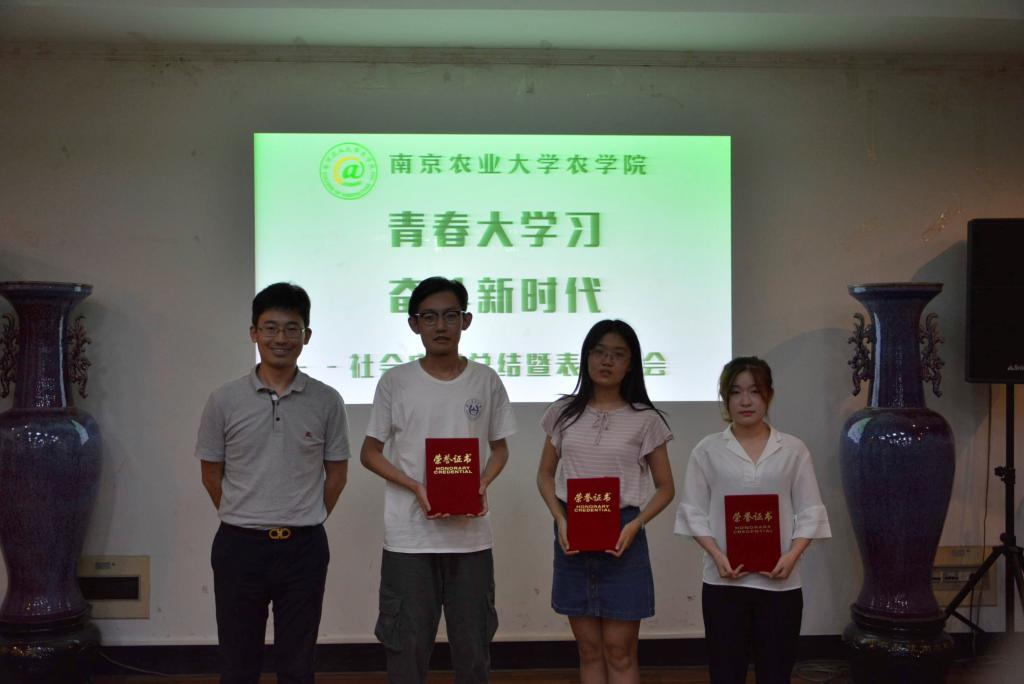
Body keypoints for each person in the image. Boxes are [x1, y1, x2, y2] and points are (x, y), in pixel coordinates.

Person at [360, 276, 517, 684]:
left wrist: (482, 483)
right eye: (429, 317)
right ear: (414, 324)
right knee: (406, 653)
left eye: (450, 315)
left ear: (466, 320)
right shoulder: (395, 382)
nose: (440, 326)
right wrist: (415, 486)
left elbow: (500, 448)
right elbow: (369, 452)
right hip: (409, 540)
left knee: (474, 653)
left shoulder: (486, 380)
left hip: (470, 539)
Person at [195, 282, 351, 684]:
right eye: (271, 328)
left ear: (307, 335)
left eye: (291, 328)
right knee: (238, 664)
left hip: (304, 549)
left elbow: (337, 473)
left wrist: (307, 515)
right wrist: (244, 513)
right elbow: (211, 473)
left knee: (298, 665)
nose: (281, 338)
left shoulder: (327, 400)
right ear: (254, 333)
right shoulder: (224, 399)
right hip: (238, 547)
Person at [675, 356, 831, 684]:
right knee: (725, 672)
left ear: (768, 395)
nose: (745, 401)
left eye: (755, 391)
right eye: (736, 392)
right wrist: (718, 556)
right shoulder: (707, 450)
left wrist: (792, 556)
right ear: (725, 398)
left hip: (781, 582)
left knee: (776, 673)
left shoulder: (793, 449)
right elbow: (693, 511)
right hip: (723, 582)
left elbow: (810, 510)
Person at [536, 319, 675, 684]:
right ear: (586, 357)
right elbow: (545, 475)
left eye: (617, 354)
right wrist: (560, 519)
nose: (606, 361)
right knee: (588, 649)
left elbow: (665, 487)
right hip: (572, 534)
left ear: (631, 364)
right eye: (599, 352)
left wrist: (636, 524)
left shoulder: (645, 419)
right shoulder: (563, 412)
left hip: (623, 536)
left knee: (619, 650)